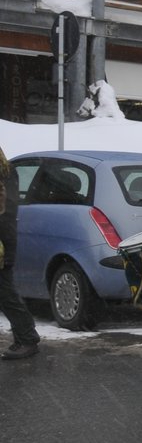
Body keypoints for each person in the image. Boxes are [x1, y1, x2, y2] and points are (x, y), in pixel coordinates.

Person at [0, 146, 42, 361]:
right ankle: (24, 338)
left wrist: (7, 249)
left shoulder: (5, 175)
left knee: (6, 293)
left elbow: (6, 215)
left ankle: (27, 339)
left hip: (2, 243)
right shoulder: (7, 172)